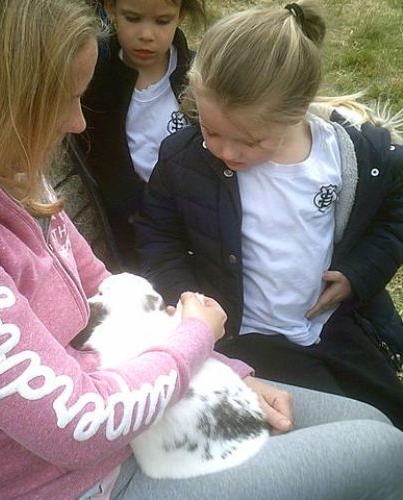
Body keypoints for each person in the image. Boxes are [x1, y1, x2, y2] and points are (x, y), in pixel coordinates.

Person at [0, 1, 403, 499]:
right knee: (383, 452)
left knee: (369, 421)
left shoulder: (8, 175)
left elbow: (108, 286)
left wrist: (222, 371)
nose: (78, 124)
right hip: (79, 482)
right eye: (64, 99)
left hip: (138, 415)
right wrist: (194, 342)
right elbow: (77, 425)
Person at [136, 0, 403, 429]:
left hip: (333, 328)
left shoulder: (353, 159)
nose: (225, 151)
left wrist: (360, 271)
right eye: (211, 130)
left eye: (248, 141)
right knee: (324, 435)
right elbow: (157, 235)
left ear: (296, 113)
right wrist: (188, 307)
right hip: (248, 338)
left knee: (388, 417)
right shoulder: (184, 159)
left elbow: (394, 214)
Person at [74, 0, 205, 270]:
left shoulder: (199, 74)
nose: (146, 34)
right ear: (111, 9)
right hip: (135, 228)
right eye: (133, 18)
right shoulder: (97, 80)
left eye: (162, 21)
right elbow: (98, 154)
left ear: (180, 15)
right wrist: (137, 208)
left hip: (198, 218)